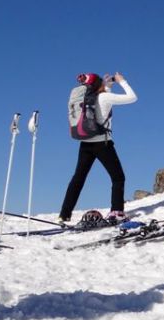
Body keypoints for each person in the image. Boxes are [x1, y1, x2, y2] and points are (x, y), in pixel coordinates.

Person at [59, 72, 138, 224]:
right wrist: (123, 81)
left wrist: (106, 86)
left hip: (85, 142)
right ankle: (116, 212)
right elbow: (132, 97)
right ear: (98, 85)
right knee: (117, 177)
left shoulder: (88, 98)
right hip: (102, 143)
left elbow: (101, 103)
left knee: (78, 178)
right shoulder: (104, 97)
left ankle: (64, 214)